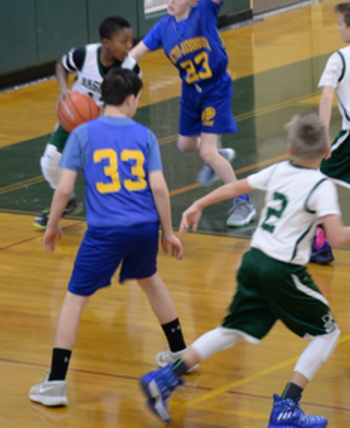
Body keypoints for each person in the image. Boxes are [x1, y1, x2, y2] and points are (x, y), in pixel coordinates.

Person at [139, 113, 349, 427]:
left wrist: (198, 204)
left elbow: (235, 186)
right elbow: (338, 238)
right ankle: (287, 407)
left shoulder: (279, 169)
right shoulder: (320, 185)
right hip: (282, 269)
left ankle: (165, 377)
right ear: (327, 150)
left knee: (231, 330)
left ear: (290, 149)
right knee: (328, 333)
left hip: (253, 261)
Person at [29, 68, 189, 407]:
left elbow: (64, 189)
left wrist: (53, 225)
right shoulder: (145, 135)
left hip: (104, 232)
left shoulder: (81, 134)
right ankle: (179, 352)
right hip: (144, 228)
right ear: (130, 99)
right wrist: (168, 232)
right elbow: (159, 187)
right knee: (150, 280)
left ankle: (55, 383)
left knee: (74, 301)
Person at [129, 0, 255, 228]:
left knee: (206, 150)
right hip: (190, 90)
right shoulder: (163, 27)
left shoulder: (204, 13)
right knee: (186, 145)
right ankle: (218, 154)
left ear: (192, 1)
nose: (171, 1)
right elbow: (135, 53)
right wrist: (116, 72)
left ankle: (244, 202)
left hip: (215, 88)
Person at [34, 15, 140, 229]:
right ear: (106, 42)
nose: (130, 46)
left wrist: (107, 114)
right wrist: (64, 90)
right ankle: (67, 201)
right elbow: (61, 65)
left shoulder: (130, 68)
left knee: (105, 173)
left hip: (106, 125)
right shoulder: (84, 55)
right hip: (75, 120)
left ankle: (121, 214)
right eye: (123, 41)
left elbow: (131, 105)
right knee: (49, 163)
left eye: (131, 41)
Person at [310, 2, 350, 265]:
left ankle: (319, 242)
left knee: (317, 180)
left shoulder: (339, 58)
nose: (337, 28)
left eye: (340, 24)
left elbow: (326, 97)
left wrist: (323, 137)